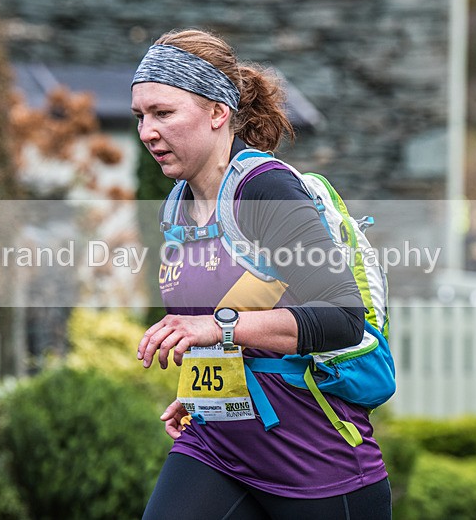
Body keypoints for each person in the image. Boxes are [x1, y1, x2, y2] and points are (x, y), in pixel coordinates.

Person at [132, 29, 391, 519]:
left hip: (314, 464)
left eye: (163, 113)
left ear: (217, 112)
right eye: (140, 116)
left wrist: (217, 328)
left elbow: (342, 317)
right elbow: (234, 316)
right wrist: (204, 392)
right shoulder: (176, 204)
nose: (147, 131)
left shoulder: (264, 189)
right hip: (216, 445)